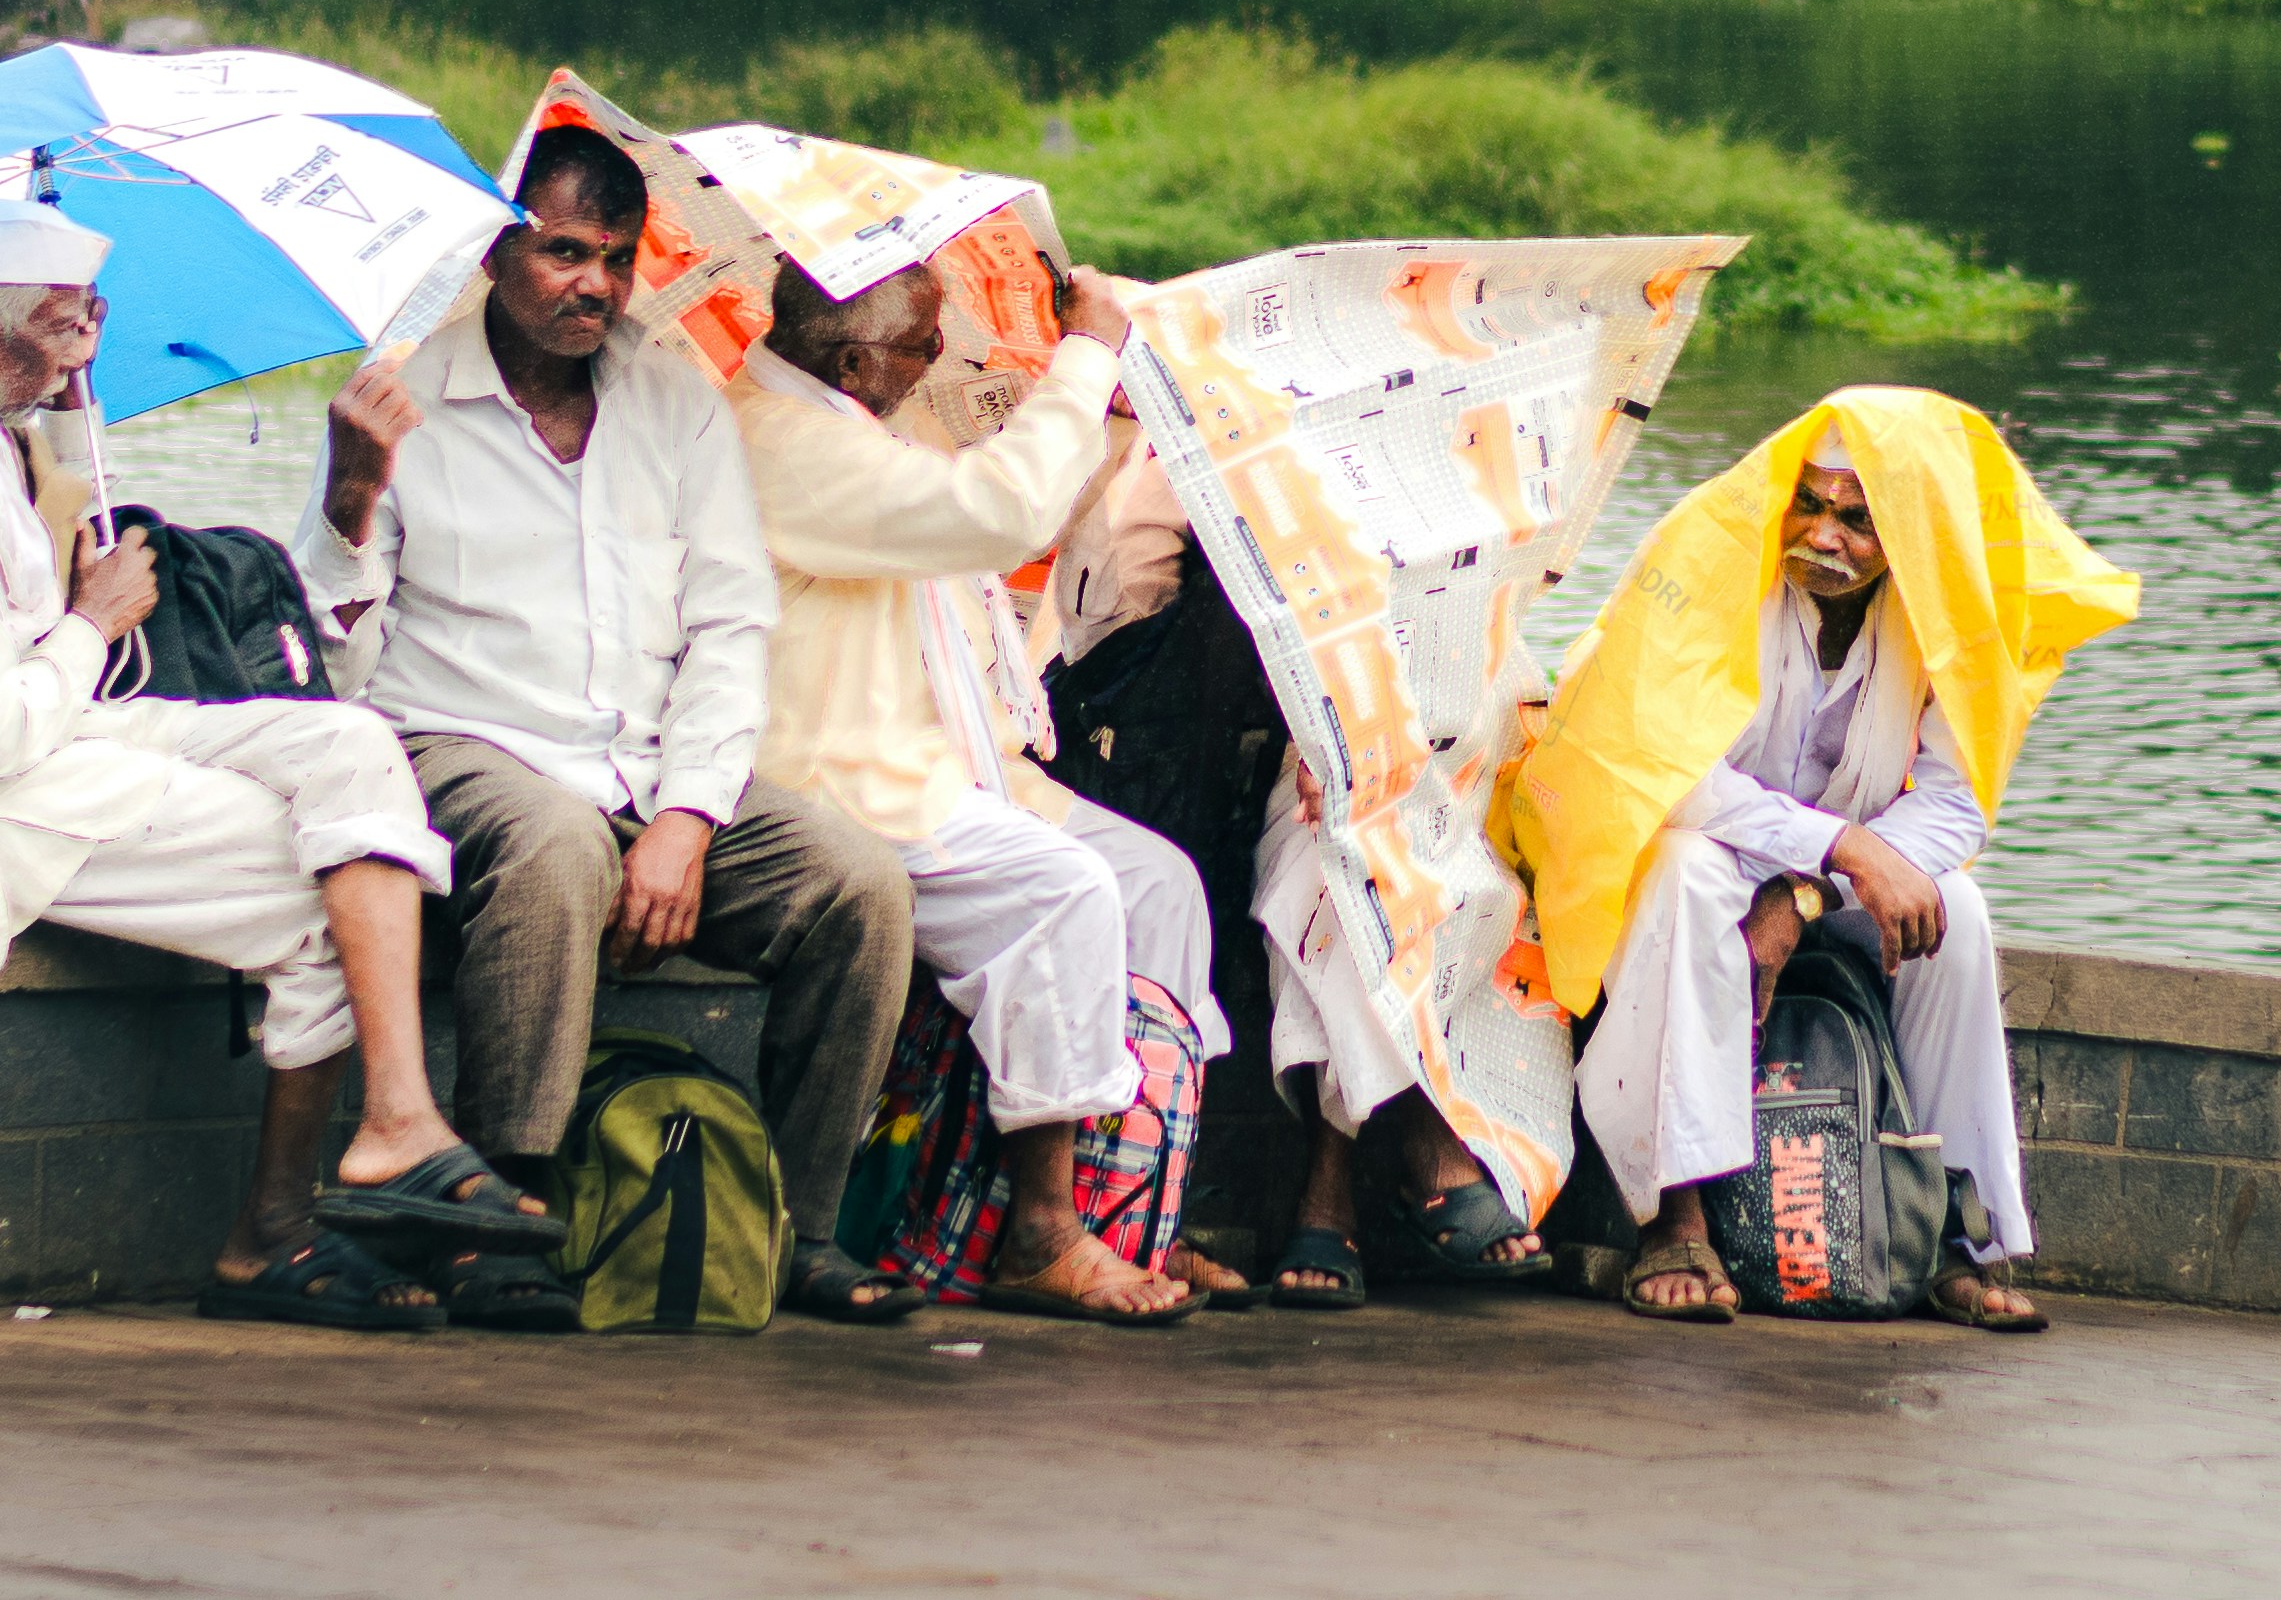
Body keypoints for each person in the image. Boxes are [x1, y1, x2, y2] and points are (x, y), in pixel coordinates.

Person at [0, 194, 556, 1331]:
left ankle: (397, 1117)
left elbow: (22, 663)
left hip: (58, 736)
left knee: (350, 747)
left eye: (94, 317)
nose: (86, 350)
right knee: (330, 890)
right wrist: (92, 618)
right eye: (64, 325)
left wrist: (62, 550)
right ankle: (273, 1230)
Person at [300, 125, 929, 1328]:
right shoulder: (400, 400)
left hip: (644, 766)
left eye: (617, 257)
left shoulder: (673, 398)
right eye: (564, 251)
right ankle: (499, 1212)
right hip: (460, 747)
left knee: (860, 881)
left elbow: (734, 628)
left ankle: (796, 1223)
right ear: (499, 249)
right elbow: (330, 669)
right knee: (553, 844)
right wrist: (347, 496)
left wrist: (689, 818)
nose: (595, 283)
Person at [1525, 390, 2136, 1329]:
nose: (1823, 534)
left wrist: (1810, 890)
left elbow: (1956, 800)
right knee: (1689, 871)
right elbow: (1674, 776)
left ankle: (1952, 1236)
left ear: (1909, 534)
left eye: (1857, 518)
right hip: (1686, 853)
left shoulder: (1946, 623)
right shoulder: (1719, 574)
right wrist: (1842, 847)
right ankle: (1674, 1223)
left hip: (1821, 877)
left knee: (1957, 910)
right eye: (1809, 504)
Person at [729, 248, 1237, 1322]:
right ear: (858, 356)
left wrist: (1106, 388)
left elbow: (1022, 502)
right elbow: (998, 511)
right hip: (832, 773)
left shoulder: (855, 417)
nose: (933, 362)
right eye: (921, 345)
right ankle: (1042, 1231)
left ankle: (1140, 1207)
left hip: (938, 750)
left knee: (1160, 885)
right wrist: (1088, 354)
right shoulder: (782, 442)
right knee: (1058, 888)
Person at [1032, 427, 1553, 1304]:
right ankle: (1421, 1141)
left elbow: (1480, 676)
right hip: (1272, 775)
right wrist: (1318, 727)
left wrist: (1366, 739)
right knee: (1326, 861)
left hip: (1426, 775)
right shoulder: (1195, 466)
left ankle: (1330, 1188)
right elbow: (1107, 623)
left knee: (1358, 859)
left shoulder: (1455, 475)